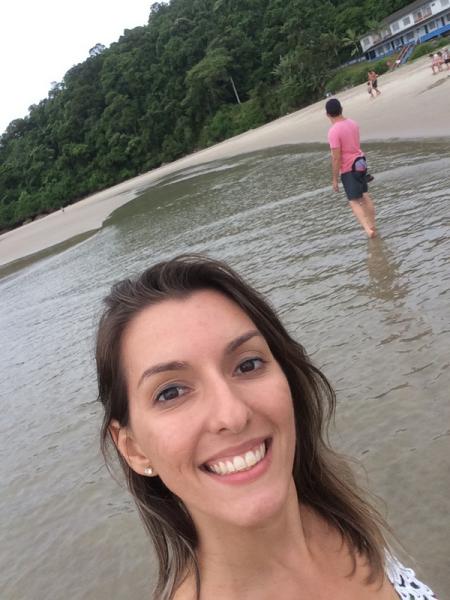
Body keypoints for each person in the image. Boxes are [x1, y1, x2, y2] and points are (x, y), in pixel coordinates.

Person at [96, 255, 437, 600]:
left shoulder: (346, 518)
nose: (232, 415)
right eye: (171, 392)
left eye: (248, 364)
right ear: (134, 449)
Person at [326, 98, 377, 238]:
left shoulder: (333, 131)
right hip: (361, 162)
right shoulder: (353, 123)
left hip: (349, 167)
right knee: (364, 195)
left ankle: (368, 229)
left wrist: (335, 179)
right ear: (341, 109)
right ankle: (373, 225)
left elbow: (336, 157)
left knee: (353, 201)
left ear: (328, 114)